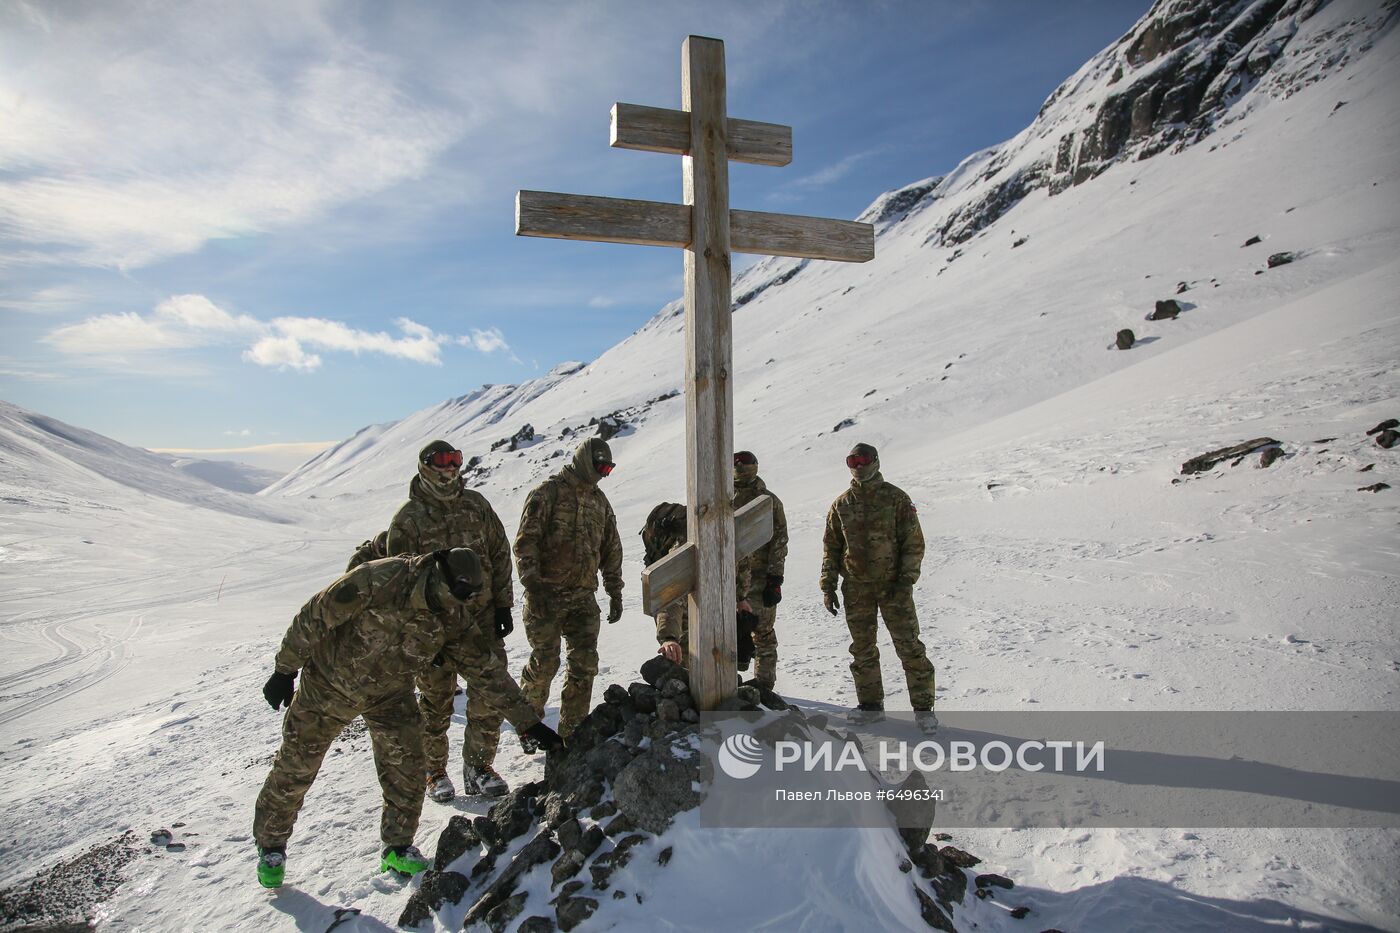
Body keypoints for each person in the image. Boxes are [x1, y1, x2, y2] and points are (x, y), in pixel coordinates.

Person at [252, 548, 561, 889]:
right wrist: (285, 669)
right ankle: (271, 846)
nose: (463, 604)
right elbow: (317, 613)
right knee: (297, 766)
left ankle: (397, 847)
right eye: (461, 594)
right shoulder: (382, 578)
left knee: (410, 766)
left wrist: (527, 721)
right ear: (441, 576)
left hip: (390, 693)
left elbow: (485, 669)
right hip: (329, 683)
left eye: (470, 597)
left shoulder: (452, 615)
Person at [387, 440, 517, 800]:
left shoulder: (476, 506)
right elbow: (398, 585)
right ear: (425, 465)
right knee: (435, 702)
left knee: (489, 695)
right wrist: (419, 637)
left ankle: (478, 766)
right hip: (434, 629)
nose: (449, 468)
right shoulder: (408, 519)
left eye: (455, 461)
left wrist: (504, 604)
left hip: (482, 619)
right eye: (441, 461)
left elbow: (499, 551)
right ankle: (434, 771)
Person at [515, 437, 623, 745]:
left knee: (585, 664)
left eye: (608, 468)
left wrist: (614, 590)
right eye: (600, 466)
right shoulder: (547, 494)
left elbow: (611, 549)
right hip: (545, 596)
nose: (603, 473)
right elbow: (525, 544)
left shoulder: (600, 502)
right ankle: (529, 725)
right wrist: (533, 586)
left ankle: (572, 734)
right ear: (584, 461)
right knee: (545, 662)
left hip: (583, 597)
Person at [820, 443, 936, 723]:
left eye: (863, 460)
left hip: (893, 587)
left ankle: (923, 710)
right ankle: (871, 706)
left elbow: (914, 542)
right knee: (862, 649)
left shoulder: (896, 499)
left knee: (909, 646)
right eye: (852, 460)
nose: (858, 466)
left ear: (876, 461)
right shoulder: (842, 504)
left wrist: (906, 581)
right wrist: (828, 583)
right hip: (857, 589)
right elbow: (832, 547)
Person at [646, 501, 756, 671]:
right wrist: (669, 637)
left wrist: (740, 599)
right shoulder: (688, 550)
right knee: (684, 660)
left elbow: (741, 565)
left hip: (713, 600)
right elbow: (670, 596)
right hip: (685, 602)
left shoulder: (732, 535)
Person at [732, 450, 788, 690]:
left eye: (745, 462)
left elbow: (779, 540)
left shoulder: (768, 501)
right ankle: (725, 683)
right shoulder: (722, 498)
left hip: (760, 578)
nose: (740, 466)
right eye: (736, 462)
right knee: (727, 632)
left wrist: (775, 578)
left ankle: (764, 684)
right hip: (728, 579)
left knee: (763, 632)